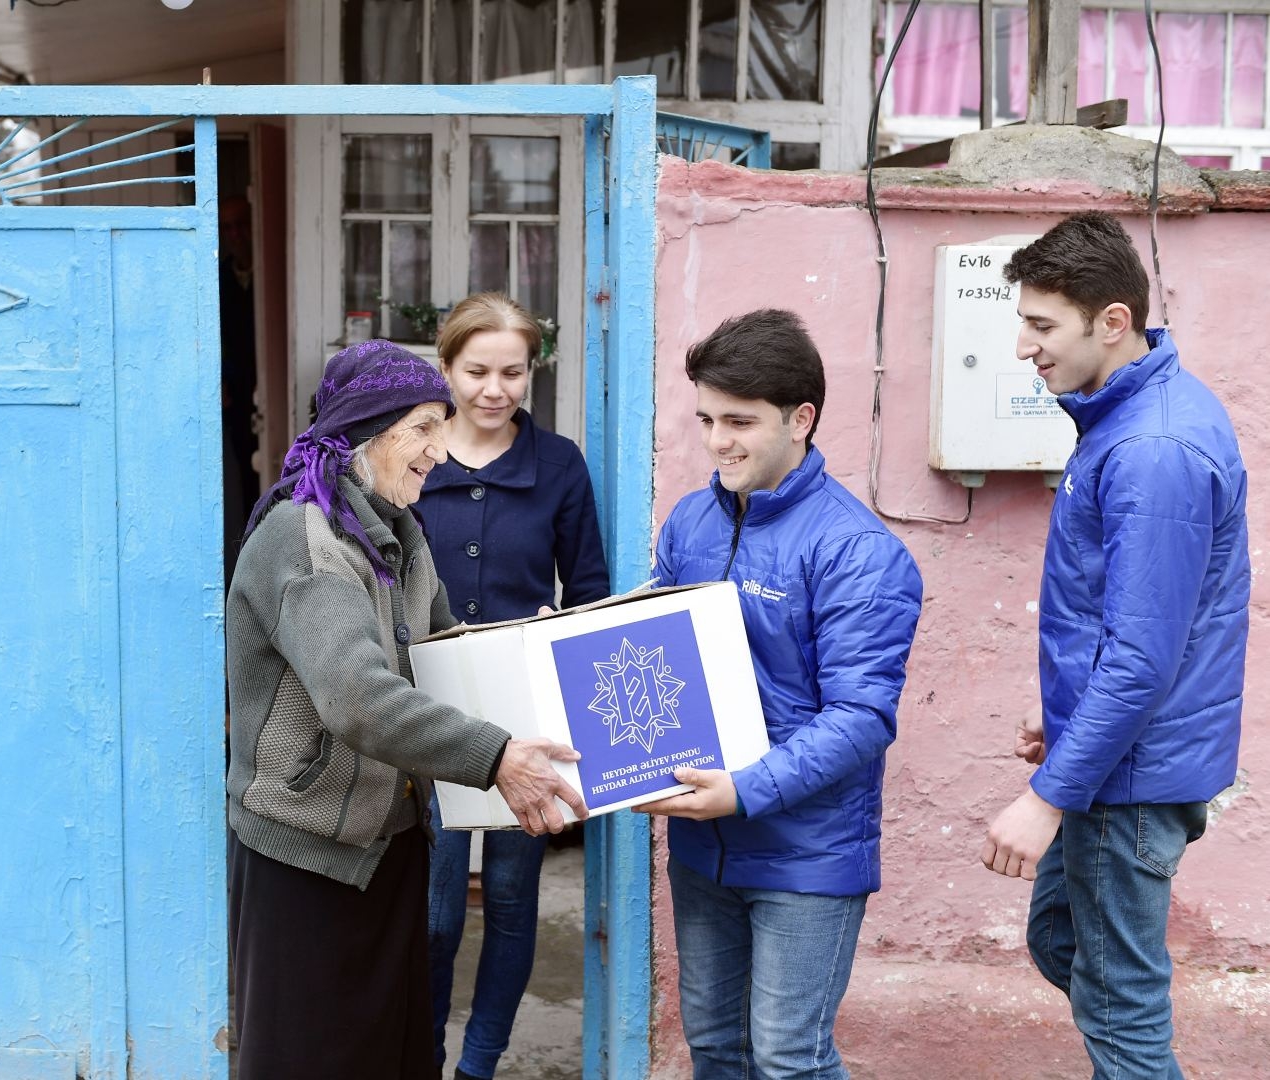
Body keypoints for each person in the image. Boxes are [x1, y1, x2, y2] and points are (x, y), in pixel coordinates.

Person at [225, 339, 589, 1080]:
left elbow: (445, 660)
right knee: (311, 1061)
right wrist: (496, 759)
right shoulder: (308, 539)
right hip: (306, 858)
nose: (440, 450)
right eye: (424, 427)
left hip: (388, 844)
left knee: (390, 1054)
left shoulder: (400, 534)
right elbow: (359, 698)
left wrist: (535, 655)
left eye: (441, 427)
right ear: (367, 430)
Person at [981, 212, 1247, 1077]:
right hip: (1122, 757)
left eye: (1042, 325)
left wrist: (1045, 797)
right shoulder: (1132, 413)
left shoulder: (1153, 449)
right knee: (1063, 940)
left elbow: (1140, 658)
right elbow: (1133, 623)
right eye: (1023, 321)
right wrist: (1061, 705)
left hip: (1127, 780)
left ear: (1114, 322)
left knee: (1121, 1010)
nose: (1024, 346)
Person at [637, 308, 923, 1079]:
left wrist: (744, 791)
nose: (717, 440)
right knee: (718, 1052)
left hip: (808, 856)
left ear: (801, 419)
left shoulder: (859, 552)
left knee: (791, 1059)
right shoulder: (691, 519)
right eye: (705, 419)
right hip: (704, 846)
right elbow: (654, 643)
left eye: (739, 421)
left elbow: (862, 718)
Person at [420, 293, 609, 1080]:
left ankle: (480, 1065)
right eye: (476, 371)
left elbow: (592, 588)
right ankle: (419, 1052)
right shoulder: (415, 453)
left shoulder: (559, 463)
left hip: (524, 717)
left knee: (507, 901)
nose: (495, 390)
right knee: (431, 915)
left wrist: (554, 624)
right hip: (424, 712)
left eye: (513, 372)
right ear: (445, 368)